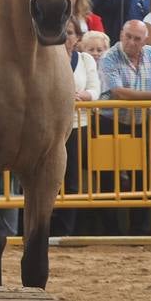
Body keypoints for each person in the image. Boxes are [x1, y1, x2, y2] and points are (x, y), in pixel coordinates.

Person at [97, 20, 151, 236]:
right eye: (128, 36)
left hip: (141, 124)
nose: (131, 42)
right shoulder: (109, 56)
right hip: (110, 124)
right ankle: (110, 233)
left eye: (137, 38)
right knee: (109, 181)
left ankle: (140, 231)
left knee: (144, 180)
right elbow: (119, 92)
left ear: (144, 40)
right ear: (121, 34)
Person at [52, 16, 101, 238]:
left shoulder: (86, 60)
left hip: (78, 125)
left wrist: (82, 96)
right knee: (45, 180)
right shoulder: (45, 59)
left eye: (70, 33)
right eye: (62, 32)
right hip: (49, 129)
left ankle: (67, 230)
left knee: (72, 180)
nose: (65, 37)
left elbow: (95, 89)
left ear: (78, 38)